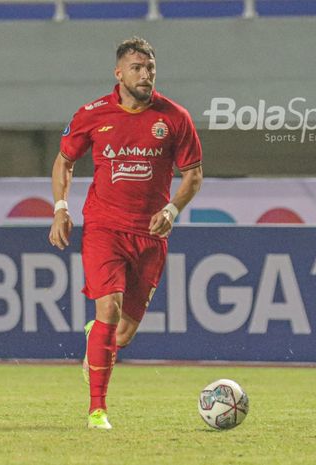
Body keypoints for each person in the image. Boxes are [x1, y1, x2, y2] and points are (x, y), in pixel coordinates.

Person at [48, 37, 203, 430]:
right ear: (119, 73)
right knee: (109, 309)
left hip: (150, 235)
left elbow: (193, 175)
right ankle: (97, 409)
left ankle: (96, 337)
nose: (146, 74)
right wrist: (61, 208)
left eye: (150, 67)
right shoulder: (92, 114)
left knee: (124, 332)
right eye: (137, 67)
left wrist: (172, 209)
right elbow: (64, 161)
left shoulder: (175, 117)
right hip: (104, 227)